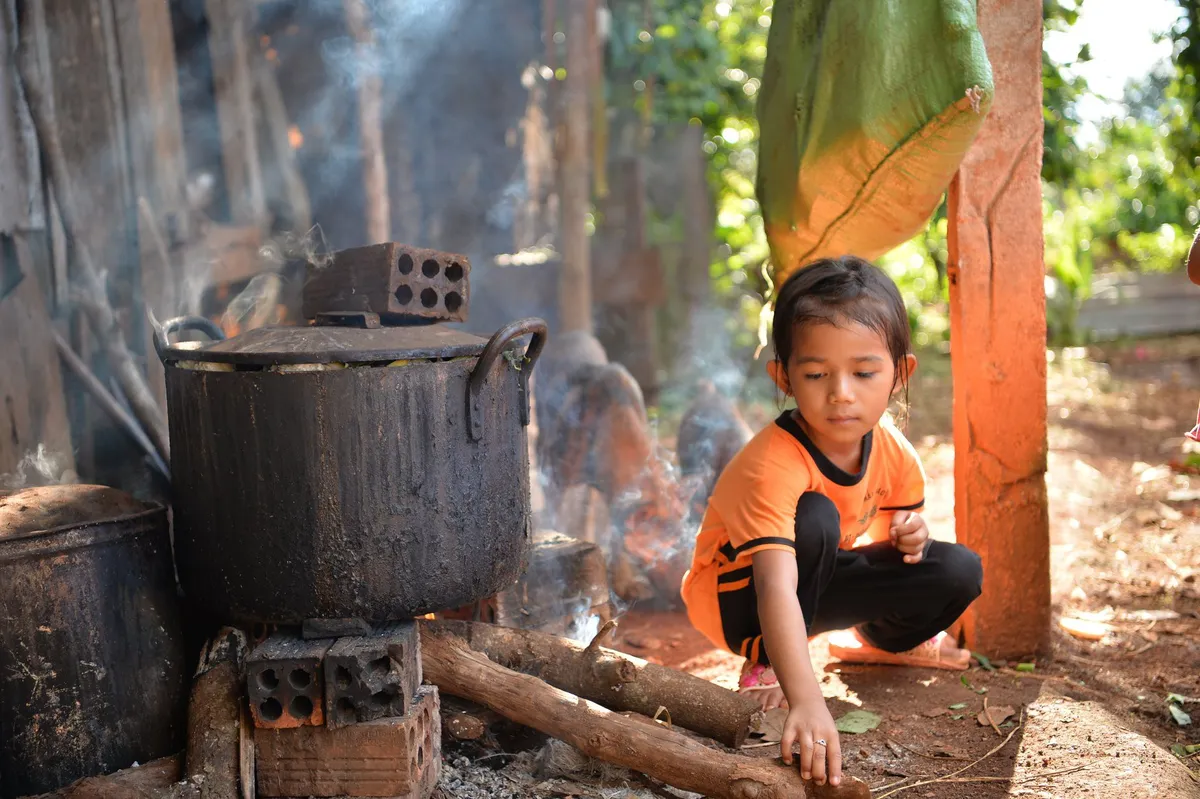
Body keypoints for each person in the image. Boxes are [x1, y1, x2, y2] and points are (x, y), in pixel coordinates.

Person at [680, 255, 983, 787]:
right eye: (817, 374)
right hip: (740, 598)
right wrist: (808, 700)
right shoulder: (772, 464)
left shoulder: (891, 449)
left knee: (958, 569)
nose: (842, 392)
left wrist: (911, 536)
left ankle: (883, 639)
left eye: (864, 373)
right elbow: (775, 584)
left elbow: (895, 524)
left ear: (899, 374)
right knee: (814, 515)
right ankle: (770, 661)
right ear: (786, 378)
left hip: (809, 583)